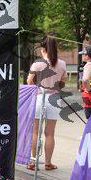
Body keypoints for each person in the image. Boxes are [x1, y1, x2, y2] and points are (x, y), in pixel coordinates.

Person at [27, 37, 67, 171]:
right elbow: (63, 82)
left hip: (39, 97)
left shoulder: (38, 63)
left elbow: (29, 81)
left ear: (43, 49)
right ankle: (48, 163)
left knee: (35, 132)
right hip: (54, 99)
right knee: (50, 133)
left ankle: (33, 162)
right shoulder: (62, 63)